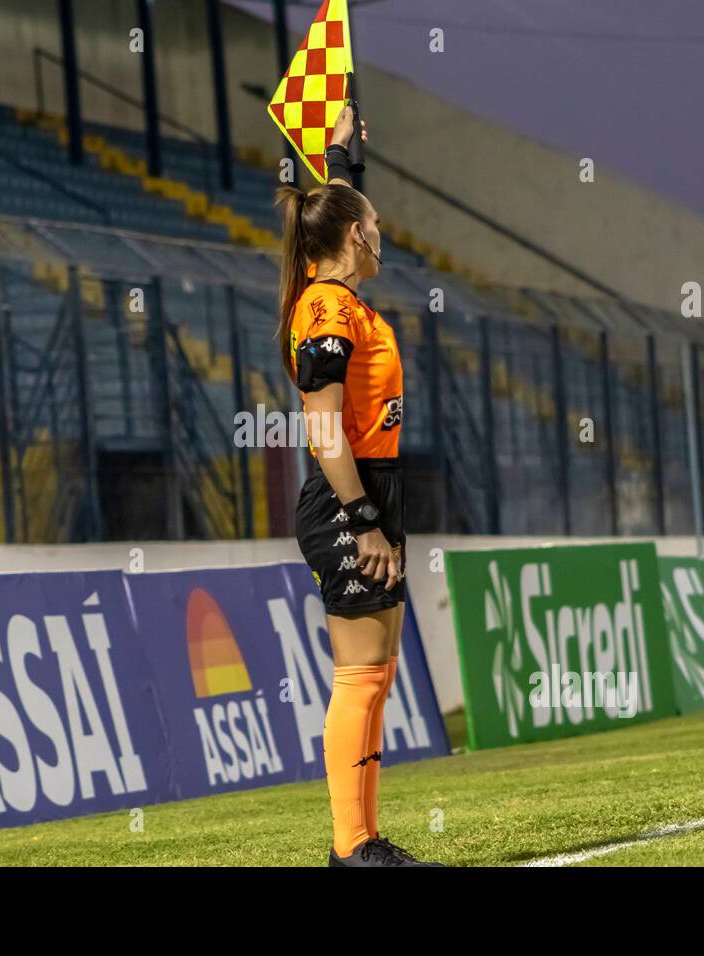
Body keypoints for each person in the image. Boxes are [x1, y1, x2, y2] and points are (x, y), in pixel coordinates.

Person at [275, 105, 441, 867]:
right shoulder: (327, 308)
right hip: (351, 499)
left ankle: (365, 842)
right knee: (360, 675)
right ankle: (351, 848)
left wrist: (341, 156)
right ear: (353, 238)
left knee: (378, 674)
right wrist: (365, 520)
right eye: (371, 222)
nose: (381, 232)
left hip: (374, 491)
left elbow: (335, 200)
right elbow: (323, 430)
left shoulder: (336, 290)